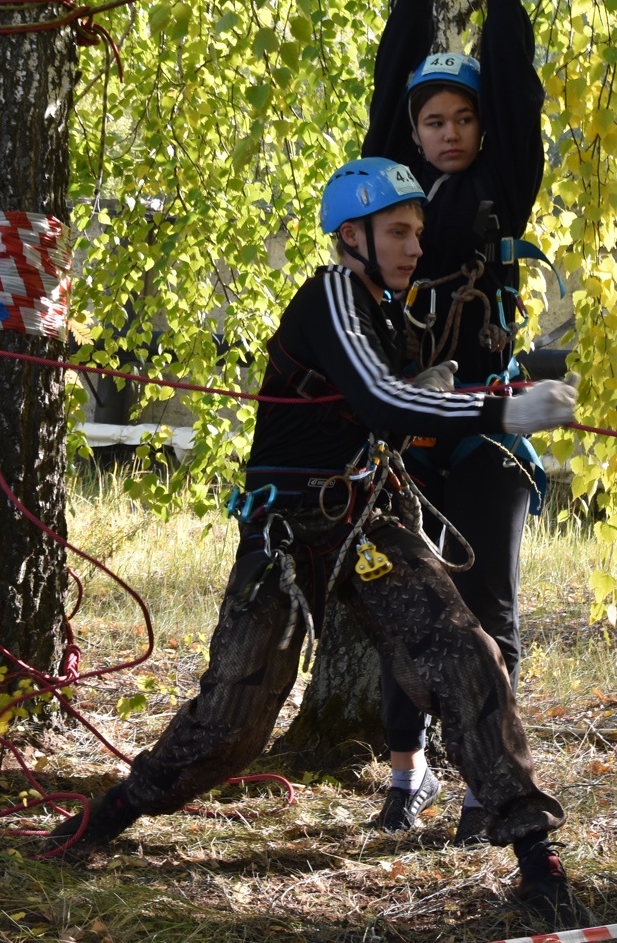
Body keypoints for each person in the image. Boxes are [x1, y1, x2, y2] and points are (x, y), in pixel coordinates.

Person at [44, 160, 589, 928]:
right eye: (397, 232)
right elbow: (379, 397)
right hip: (287, 529)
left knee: (464, 652)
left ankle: (535, 853)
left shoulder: (389, 315)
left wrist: (451, 391)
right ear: (350, 237)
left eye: (417, 233)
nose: (412, 248)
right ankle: (107, 816)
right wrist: (502, 411)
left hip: (365, 517)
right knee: (230, 726)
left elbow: (392, 401)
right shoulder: (332, 293)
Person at [360, 0, 549, 840]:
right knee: (403, 602)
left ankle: (488, 775)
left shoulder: (501, 190)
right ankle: (406, 772)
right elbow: (395, 69)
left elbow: (514, 79)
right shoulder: (386, 188)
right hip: (403, 420)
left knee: (486, 603)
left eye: (462, 120)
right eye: (434, 120)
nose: (448, 132)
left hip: (482, 422)